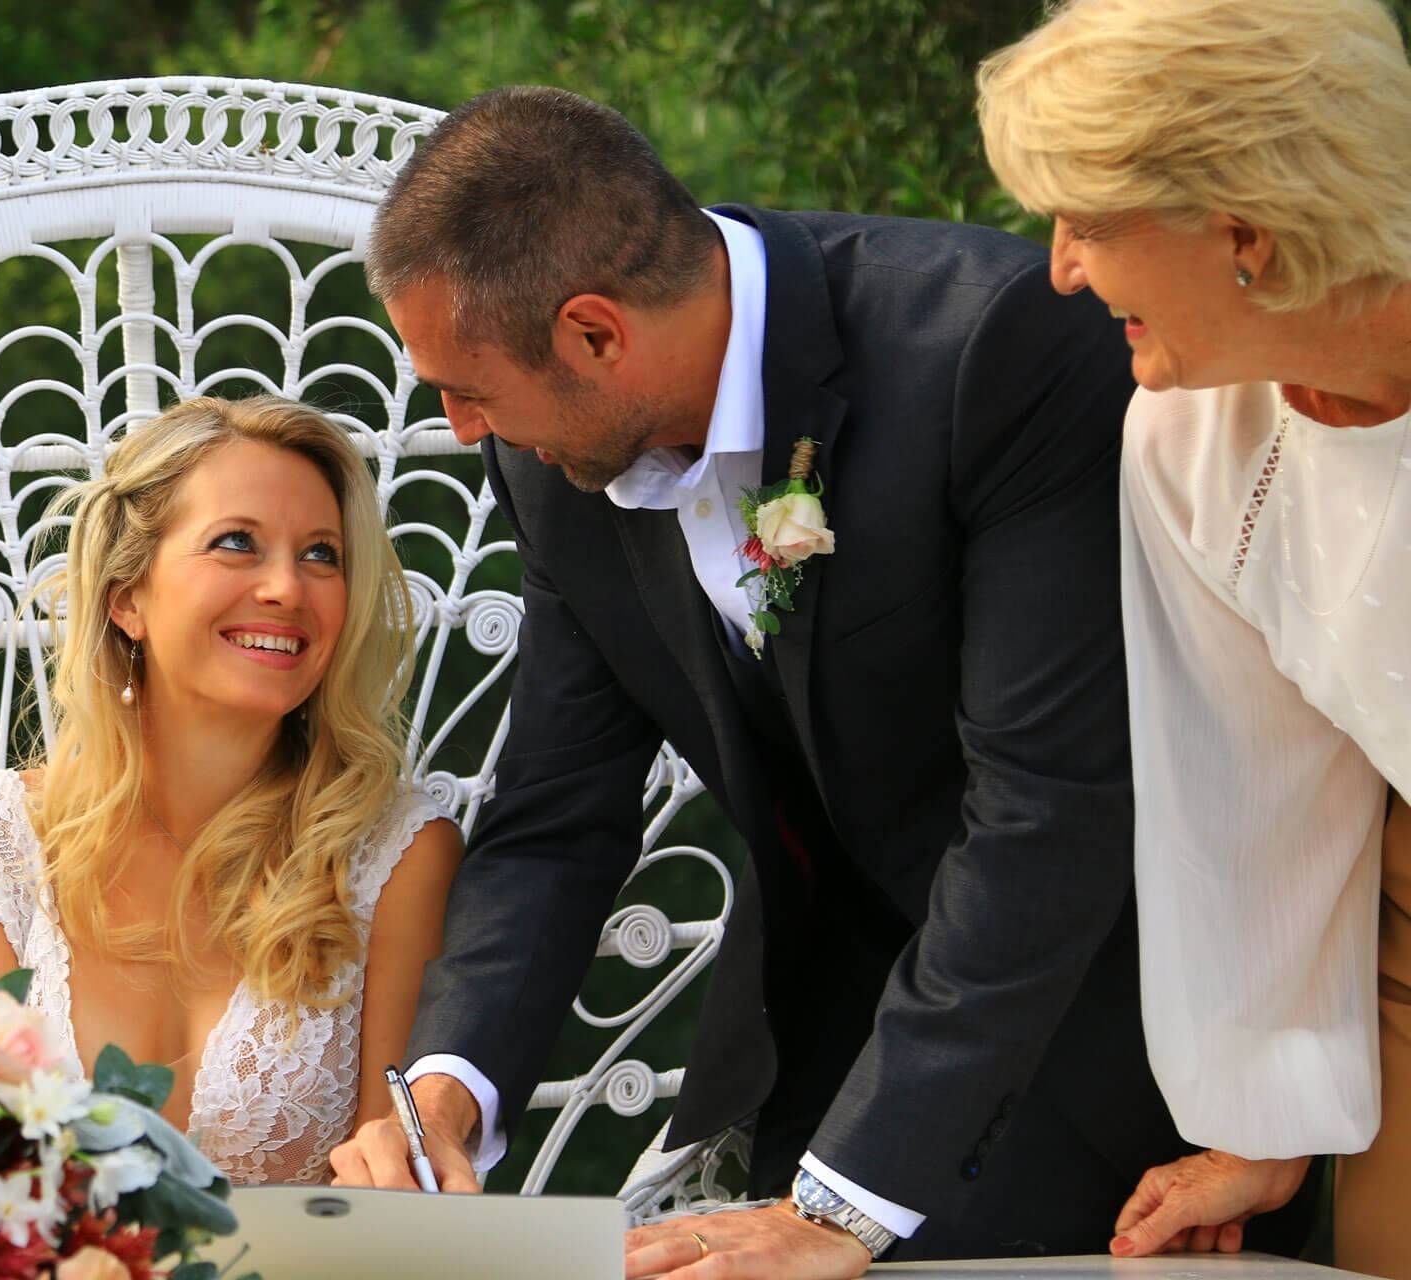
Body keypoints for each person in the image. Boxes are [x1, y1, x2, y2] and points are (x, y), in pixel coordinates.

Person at [324, 85, 1303, 1275]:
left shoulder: (991, 349)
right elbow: (556, 815)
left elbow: (1047, 809)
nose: (460, 427)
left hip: (1088, 1045)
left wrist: (840, 1206)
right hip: (809, 1055)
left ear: (594, 333)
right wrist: (447, 1092)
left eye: (467, 389)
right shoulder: (555, 461)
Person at [977, 1, 1411, 1273]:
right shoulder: (1186, 438)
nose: (1059, 268)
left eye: (1090, 224)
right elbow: (1248, 787)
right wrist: (1267, 1114)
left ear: (1247, 229)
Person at [0, 394, 463, 1185]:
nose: (287, 587)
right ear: (127, 598)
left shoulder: (395, 853)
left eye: (322, 555)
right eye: (237, 543)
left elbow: (395, 1197)